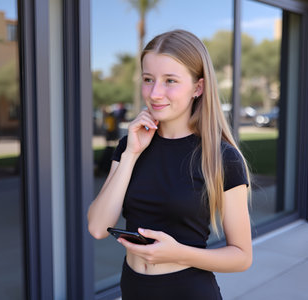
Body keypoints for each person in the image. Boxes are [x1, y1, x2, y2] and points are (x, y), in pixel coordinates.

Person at [88, 29, 252, 300]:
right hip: (133, 289)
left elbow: (242, 257)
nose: (155, 93)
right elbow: (96, 227)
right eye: (148, 79)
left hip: (188, 291)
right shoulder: (130, 146)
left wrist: (178, 253)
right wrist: (130, 154)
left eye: (170, 81)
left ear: (198, 88)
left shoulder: (221, 157)